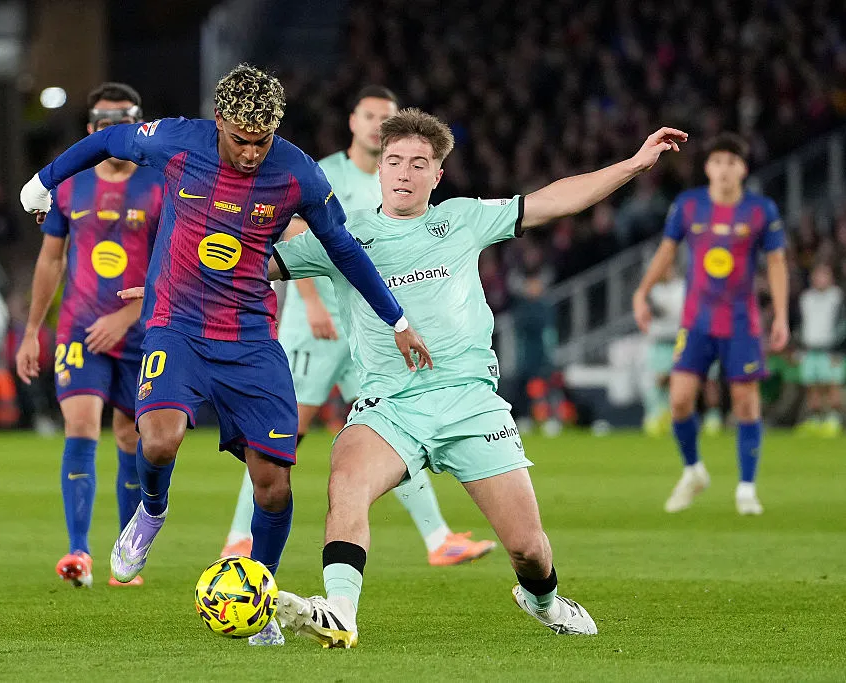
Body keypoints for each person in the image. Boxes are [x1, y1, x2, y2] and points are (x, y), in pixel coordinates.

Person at [20, 65, 430, 646]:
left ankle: (259, 600)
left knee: (274, 486)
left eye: (261, 139)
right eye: (240, 137)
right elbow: (108, 140)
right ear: (220, 122)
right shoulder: (177, 140)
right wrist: (42, 183)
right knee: (157, 440)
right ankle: (151, 512)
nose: (249, 151)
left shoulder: (296, 174)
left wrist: (399, 319)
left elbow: (343, 247)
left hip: (249, 339)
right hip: (175, 327)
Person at [265, 109, 685, 645]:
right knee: (345, 481)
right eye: (394, 161)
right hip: (390, 405)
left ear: (437, 175)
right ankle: (341, 611)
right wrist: (168, 282)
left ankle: (545, 600)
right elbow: (250, 263)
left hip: (470, 402)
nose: (403, 172)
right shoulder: (345, 237)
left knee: (529, 550)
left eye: (419, 164)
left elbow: (553, 201)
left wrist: (633, 164)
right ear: (379, 168)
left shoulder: (462, 218)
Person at [219, 85, 495, 566]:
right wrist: (312, 306)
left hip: (371, 333)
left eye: (383, 117)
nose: (374, 124)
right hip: (316, 328)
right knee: (285, 435)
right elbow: (294, 238)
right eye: (368, 115)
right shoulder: (326, 173)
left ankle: (438, 540)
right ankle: (239, 537)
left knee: (396, 428)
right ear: (353, 121)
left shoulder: (394, 179)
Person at [15, 82, 163, 588]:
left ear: (140, 123)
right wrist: (33, 330)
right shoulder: (69, 186)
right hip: (79, 328)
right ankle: (78, 552)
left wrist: (129, 315)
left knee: (130, 436)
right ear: (90, 129)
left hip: (143, 332)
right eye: (104, 122)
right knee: (80, 427)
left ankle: (126, 555)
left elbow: (172, 263)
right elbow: (51, 258)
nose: (114, 129)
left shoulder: (162, 182)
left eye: (124, 119)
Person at [633, 133, 790, 516]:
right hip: (697, 321)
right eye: (717, 161)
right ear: (707, 168)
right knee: (680, 400)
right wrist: (642, 292)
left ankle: (746, 488)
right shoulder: (688, 206)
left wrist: (782, 315)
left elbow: (776, 263)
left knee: (745, 404)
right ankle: (693, 471)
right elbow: (666, 251)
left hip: (741, 322)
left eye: (731, 162)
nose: (724, 169)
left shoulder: (760, 210)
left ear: (743, 168)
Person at [797, 262, 846, 436]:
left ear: (831, 278)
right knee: (812, 386)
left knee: (832, 384)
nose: (819, 279)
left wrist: (838, 348)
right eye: (817, 275)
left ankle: (834, 420)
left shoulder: (838, 297)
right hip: (810, 349)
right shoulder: (806, 298)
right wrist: (800, 346)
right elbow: (801, 324)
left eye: (823, 275)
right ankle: (815, 419)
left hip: (831, 350)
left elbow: (845, 324)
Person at [642, 267, 685, 436]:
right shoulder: (653, 290)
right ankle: (654, 415)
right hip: (659, 341)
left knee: (677, 381)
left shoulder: (681, 287)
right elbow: (653, 310)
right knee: (658, 379)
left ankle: (671, 417)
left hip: (677, 340)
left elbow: (678, 311)